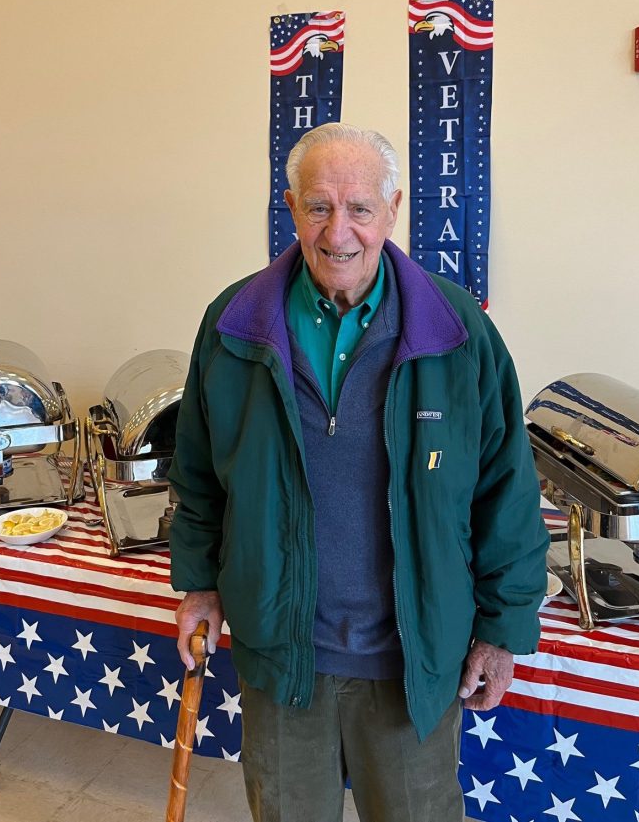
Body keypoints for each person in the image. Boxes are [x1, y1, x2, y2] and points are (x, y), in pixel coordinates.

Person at [169, 122, 549, 822]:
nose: (337, 230)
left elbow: (507, 489)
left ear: (393, 209)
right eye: (318, 206)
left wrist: (503, 627)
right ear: (290, 208)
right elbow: (196, 471)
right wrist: (198, 579)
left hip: (413, 658)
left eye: (360, 208)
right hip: (285, 654)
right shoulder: (233, 324)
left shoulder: (457, 330)